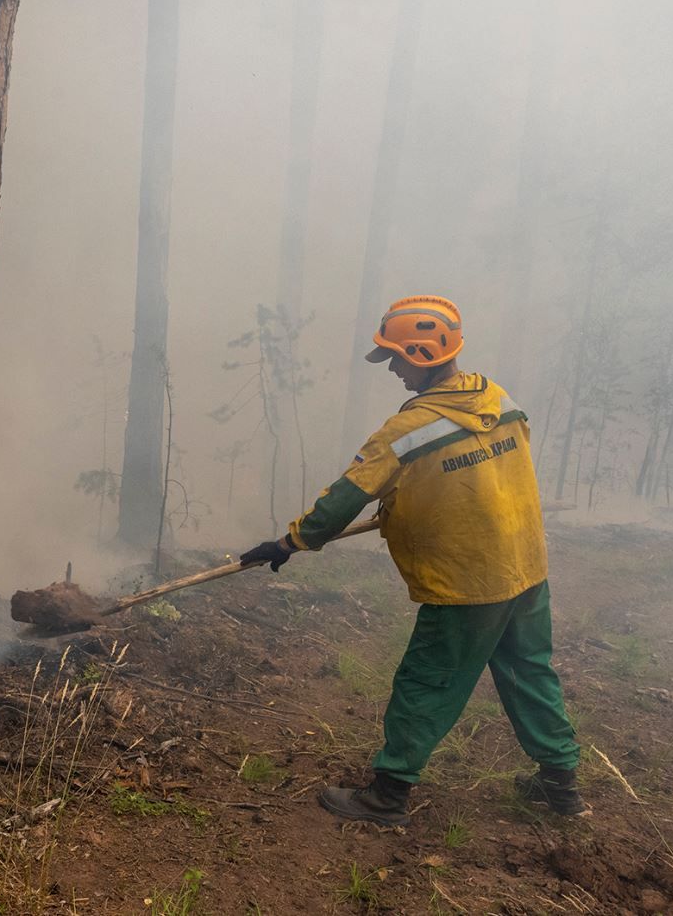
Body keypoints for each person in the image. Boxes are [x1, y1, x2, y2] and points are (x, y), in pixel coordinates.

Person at [238, 295, 583, 826]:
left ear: (422, 354)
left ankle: (388, 793)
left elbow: (344, 500)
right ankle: (561, 786)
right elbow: (483, 474)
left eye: (397, 358)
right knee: (528, 672)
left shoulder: (405, 432)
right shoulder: (498, 397)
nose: (394, 369)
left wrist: (290, 543)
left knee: (427, 681)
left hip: (468, 582)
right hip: (526, 566)